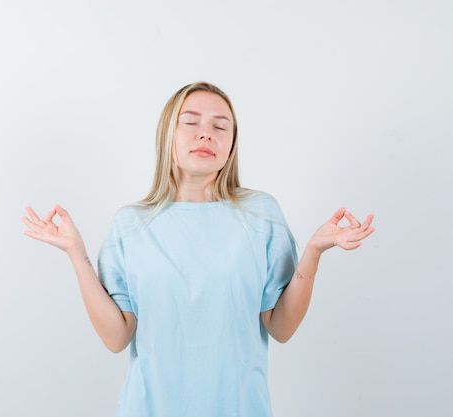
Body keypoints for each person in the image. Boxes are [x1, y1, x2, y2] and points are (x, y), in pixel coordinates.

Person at [22, 82, 375, 417]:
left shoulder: (260, 215)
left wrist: (313, 251)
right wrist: (76, 252)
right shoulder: (130, 224)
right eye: (190, 122)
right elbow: (117, 337)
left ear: (232, 146)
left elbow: (280, 327)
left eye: (221, 127)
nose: (206, 133)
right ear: (167, 136)